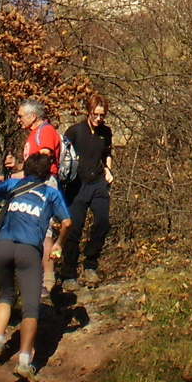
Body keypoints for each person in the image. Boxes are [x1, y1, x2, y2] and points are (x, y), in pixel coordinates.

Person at [0, 151, 70, 382]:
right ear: (47, 173)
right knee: (31, 306)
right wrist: (59, 243)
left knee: (5, 295)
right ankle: (23, 361)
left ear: (27, 169)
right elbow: (67, 222)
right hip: (29, 250)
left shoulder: (13, 184)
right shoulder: (50, 193)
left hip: (2, 245)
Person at [58, 95, 115, 288]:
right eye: (95, 114)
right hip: (77, 184)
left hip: (98, 182)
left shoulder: (106, 132)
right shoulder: (74, 131)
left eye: (102, 115)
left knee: (103, 222)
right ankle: (68, 274)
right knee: (74, 228)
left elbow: (107, 153)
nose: (99, 118)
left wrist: (108, 171)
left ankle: (90, 264)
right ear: (88, 112)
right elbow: (63, 157)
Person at [15, 99, 64, 293]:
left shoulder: (45, 131)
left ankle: (48, 280)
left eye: (21, 116)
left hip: (43, 184)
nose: (18, 120)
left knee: (44, 232)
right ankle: (34, 278)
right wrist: (17, 168)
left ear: (32, 116)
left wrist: (24, 174)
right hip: (34, 182)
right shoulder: (33, 134)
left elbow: (44, 160)